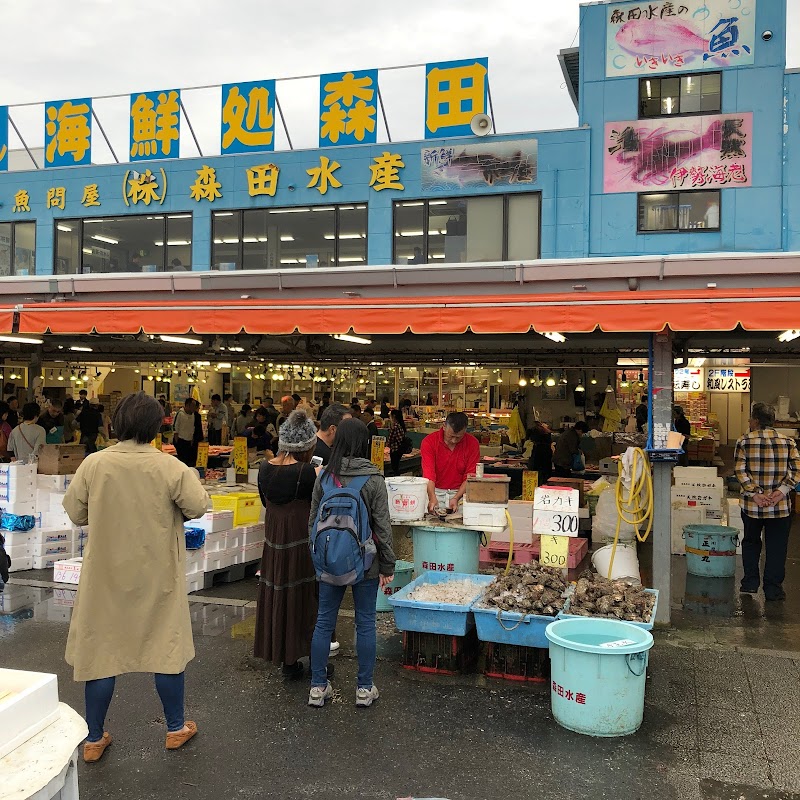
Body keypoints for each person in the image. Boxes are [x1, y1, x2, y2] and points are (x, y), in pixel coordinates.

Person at [62, 392, 209, 763]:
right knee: (166, 649)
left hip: (104, 576)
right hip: (158, 574)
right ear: (155, 426)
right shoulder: (170, 467)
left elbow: (76, 514)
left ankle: (93, 738)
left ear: (117, 423)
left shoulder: (94, 464)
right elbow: (197, 506)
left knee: (101, 653)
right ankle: (175, 728)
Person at [307, 418, 396, 708]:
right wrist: (388, 565)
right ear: (365, 443)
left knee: (324, 622)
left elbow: (312, 523)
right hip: (366, 563)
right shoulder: (374, 479)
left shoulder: (324, 476)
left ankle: (317, 687)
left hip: (329, 561)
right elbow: (383, 528)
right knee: (365, 622)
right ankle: (364, 689)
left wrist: (319, 558)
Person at [254, 410, 321, 678]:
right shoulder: (307, 473)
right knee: (306, 598)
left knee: (279, 597)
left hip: (274, 546)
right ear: (306, 446)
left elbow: (265, 502)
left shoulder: (264, 469)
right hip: (301, 544)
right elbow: (317, 505)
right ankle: (315, 661)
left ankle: (286, 661)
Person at [734, 403, 800, 602]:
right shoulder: (788, 442)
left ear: (755, 420)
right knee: (777, 547)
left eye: (750, 418)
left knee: (751, 542)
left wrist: (755, 493)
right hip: (779, 507)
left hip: (752, 506)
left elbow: (740, 470)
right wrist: (781, 492)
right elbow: (796, 470)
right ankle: (773, 590)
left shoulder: (744, 441)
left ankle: (750, 583)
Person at [420, 411, 480, 513]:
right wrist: (432, 497)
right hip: (434, 491)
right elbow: (429, 474)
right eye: (450, 436)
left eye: (458, 437)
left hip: (461, 493)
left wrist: (456, 497)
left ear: (465, 430)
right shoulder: (429, 442)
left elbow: (470, 476)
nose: (453, 440)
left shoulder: (472, 443)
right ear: (444, 426)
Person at [173, 398, 203, 467]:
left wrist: (192, 439)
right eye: (193, 406)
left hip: (189, 441)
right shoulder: (180, 413)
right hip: (181, 440)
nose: (194, 408)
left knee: (189, 461)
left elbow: (192, 428)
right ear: (188, 405)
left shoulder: (193, 415)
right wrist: (177, 441)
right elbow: (175, 427)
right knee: (182, 461)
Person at [387, 409, 407, 476]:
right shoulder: (401, 425)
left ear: (394, 416)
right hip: (399, 449)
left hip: (395, 449)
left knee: (394, 466)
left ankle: (396, 477)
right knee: (396, 465)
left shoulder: (395, 427)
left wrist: (388, 444)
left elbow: (391, 438)